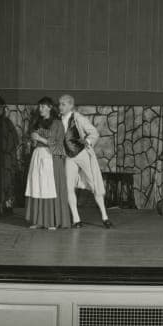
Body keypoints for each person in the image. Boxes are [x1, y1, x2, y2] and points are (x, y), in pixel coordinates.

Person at [58, 94, 113, 228]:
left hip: (82, 153)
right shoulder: (58, 121)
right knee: (68, 187)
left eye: (63, 104)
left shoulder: (78, 118)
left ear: (71, 105)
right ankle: (76, 219)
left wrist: (87, 141)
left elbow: (94, 133)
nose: (60, 107)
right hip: (69, 157)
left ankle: (105, 217)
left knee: (94, 184)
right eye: (59, 104)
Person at [24, 97, 72, 230]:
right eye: (40, 106)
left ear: (50, 107)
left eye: (44, 106)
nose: (41, 109)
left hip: (50, 157)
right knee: (38, 186)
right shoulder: (37, 122)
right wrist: (33, 140)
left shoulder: (57, 123)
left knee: (49, 187)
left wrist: (40, 138)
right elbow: (35, 140)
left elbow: (58, 143)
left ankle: (52, 221)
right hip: (38, 155)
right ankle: (39, 220)